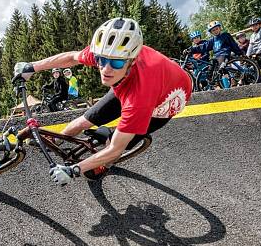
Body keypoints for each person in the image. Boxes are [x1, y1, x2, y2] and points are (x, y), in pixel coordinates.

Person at [13, 17, 192, 186]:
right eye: (101, 60)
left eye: (115, 64)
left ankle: (105, 165)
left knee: (112, 143)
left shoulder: (139, 97)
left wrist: (74, 170)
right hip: (132, 83)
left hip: (165, 102)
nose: (105, 69)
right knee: (83, 121)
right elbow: (72, 58)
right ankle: (57, 140)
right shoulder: (108, 52)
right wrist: (32, 67)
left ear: (131, 61)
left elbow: (115, 148)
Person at [189, 20, 244, 88]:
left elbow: (233, 45)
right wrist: (192, 50)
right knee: (210, 68)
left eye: (216, 29)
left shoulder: (225, 35)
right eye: (213, 30)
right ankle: (212, 83)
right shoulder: (212, 40)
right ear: (211, 32)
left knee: (221, 67)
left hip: (224, 54)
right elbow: (203, 47)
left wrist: (239, 53)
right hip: (216, 57)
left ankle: (236, 73)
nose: (215, 31)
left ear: (220, 28)